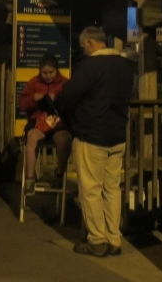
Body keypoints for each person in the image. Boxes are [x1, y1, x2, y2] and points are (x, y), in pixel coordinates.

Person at [56, 26, 133, 258]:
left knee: (90, 190)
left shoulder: (91, 66)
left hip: (92, 135)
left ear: (90, 43)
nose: (83, 52)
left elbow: (67, 95)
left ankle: (97, 240)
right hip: (117, 135)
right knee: (112, 189)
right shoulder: (124, 66)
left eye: (83, 47)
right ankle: (114, 239)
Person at [18, 55, 71, 195]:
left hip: (58, 123)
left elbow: (71, 104)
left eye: (51, 73)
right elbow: (22, 104)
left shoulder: (65, 83)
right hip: (39, 122)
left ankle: (59, 173)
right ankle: (30, 178)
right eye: (44, 73)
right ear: (40, 71)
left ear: (57, 71)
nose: (48, 76)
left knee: (64, 140)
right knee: (31, 137)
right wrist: (33, 99)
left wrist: (58, 98)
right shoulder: (33, 83)